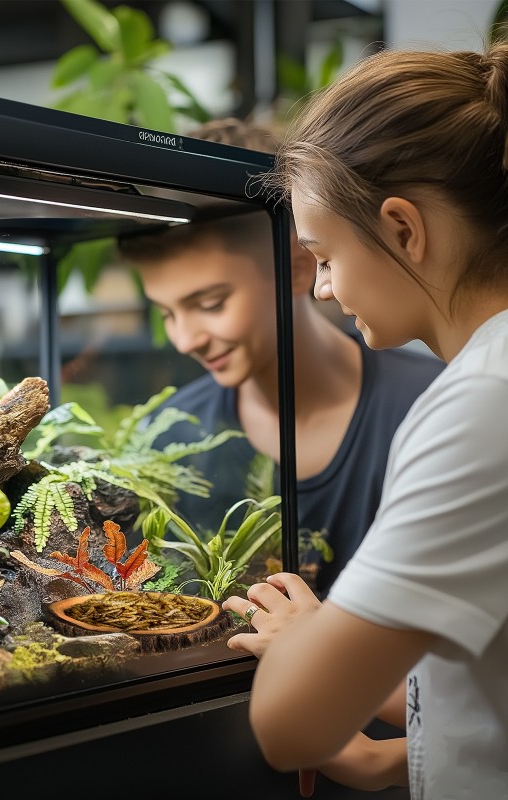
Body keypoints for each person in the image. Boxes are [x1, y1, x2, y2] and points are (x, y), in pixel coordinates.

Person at [223, 43, 508, 798]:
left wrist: (304, 649)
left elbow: (289, 728)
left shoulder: (479, 405)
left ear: (403, 229)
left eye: (324, 255)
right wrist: (392, 753)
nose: (319, 289)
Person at [118, 117, 444, 598]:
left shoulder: (432, 404)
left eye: (210, 304)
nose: (185, 340)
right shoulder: (170, 436)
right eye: (166, 312)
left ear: (297, 266)